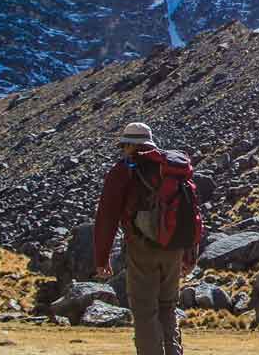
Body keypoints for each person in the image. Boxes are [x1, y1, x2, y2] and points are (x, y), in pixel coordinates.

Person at [92, 122, 194, 355]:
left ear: (129, 145)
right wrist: (189, 253)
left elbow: (107, 216)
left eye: (124, 146)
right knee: (167, 307)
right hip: (175, 248)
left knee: (145, 310)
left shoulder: (124, 170)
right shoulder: (172, 169)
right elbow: (190, 212)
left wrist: (101, 258)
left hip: (142, 248)